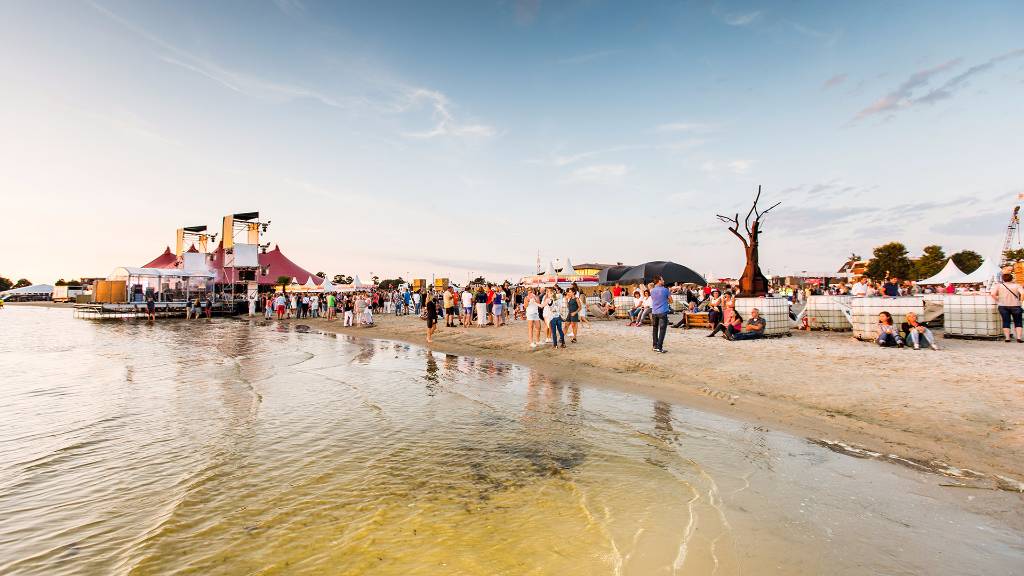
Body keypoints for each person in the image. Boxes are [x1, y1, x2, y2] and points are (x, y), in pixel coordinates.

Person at [990, 272, 1023, 343]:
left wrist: (998, 300)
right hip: (1016, 305)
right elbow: (1022, 293)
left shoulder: (998, 286)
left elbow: (992, 294)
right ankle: (1019, 338)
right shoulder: (1017, 285)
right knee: (1018, 322)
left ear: (1003, 279)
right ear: (1012, 278)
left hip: (1003, 306)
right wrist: (1021, 301)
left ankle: (1007, 338)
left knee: (1006, 321)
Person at [650, 276, 670, 353]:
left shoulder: (652, 290)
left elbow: (654, 299)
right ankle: (659, 347)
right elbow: (671, 301)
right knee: (662, 330)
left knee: (655, 329)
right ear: (659, 281)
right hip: (663, 312)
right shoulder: (665, 290)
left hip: (654, 312)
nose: (664, 281)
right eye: (662, 279)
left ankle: (655, 346)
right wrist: (665, 300)